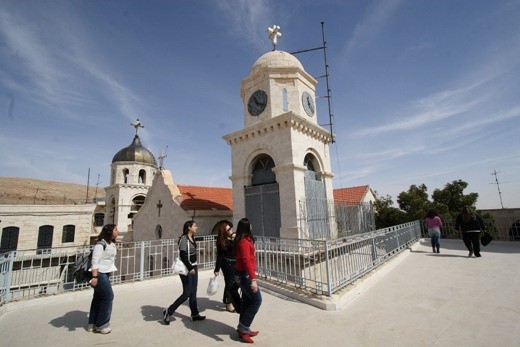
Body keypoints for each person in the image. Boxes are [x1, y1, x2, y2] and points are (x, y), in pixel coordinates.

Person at [163, 220, 206, 325]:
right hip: (187, 269)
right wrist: (190, 267)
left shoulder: (192, 238)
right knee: (186, 293)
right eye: (195, 226)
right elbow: (182, 255)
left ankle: (195, 314)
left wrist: (193, 267)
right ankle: (169, 311)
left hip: (193, 267)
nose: (197, 227)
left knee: (193, 291)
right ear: (189, 228)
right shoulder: (184, 239)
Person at [234, 218, 261, 343]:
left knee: (247, 301)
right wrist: (253, 279)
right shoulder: (244, 242)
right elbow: (246, 261)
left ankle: (243, 327)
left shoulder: (246, 239)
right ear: (246, 226)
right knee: (256, 300)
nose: (252, 225)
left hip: (243, 274)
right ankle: (243, 328)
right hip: (243, 275)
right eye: (249, 223)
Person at [88, 224, 119, 334]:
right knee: (108, 296)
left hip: (105, 273)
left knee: (98, 298)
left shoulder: (111, 243)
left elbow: (109, 259)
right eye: (115, 230)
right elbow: (95, 261)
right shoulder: (100, 244)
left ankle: (92, 323)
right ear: (110, 232)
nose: (117, 231)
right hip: (99, 274)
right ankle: (102, 324)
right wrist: (95, 277)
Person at [213, 220, 241, 313]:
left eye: (231, 228)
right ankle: (228, 303)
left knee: (236, 283)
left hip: (235, 263)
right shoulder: (223, 241)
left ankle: (230, 300)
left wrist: (235, 238)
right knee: (229, 283)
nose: (231, 230)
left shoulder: (233, 237)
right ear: (224, 231)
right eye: (228, 229)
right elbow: (220, 256)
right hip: (227, 264)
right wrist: (217, 269)